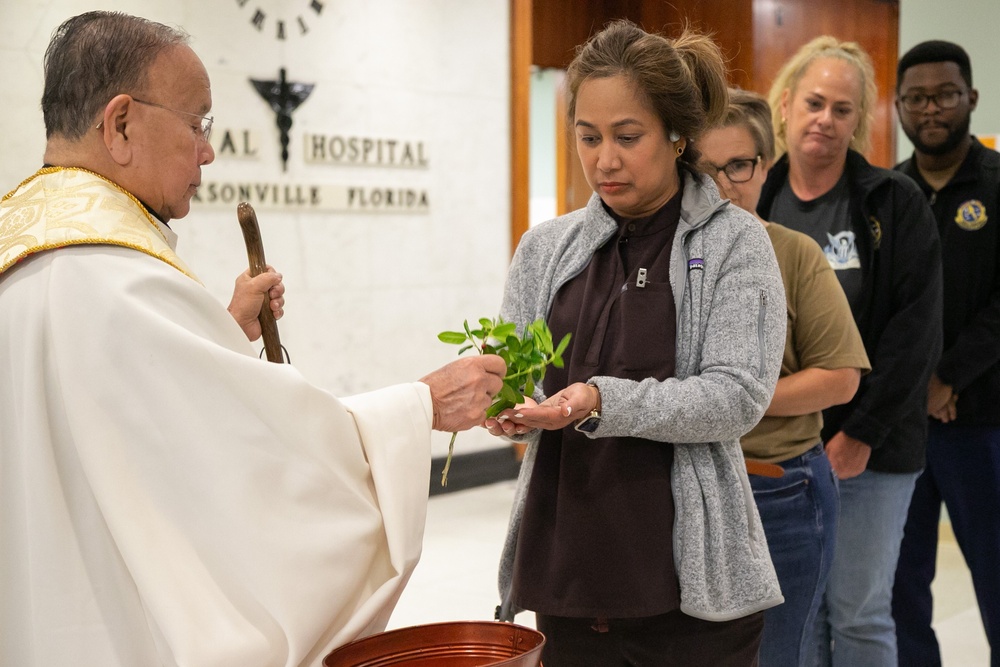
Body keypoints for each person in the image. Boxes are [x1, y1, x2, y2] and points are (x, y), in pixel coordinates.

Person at [0, 11, 506, 666]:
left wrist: (216, 331)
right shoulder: (120, 284)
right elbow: (269, 471)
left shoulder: (29, 260)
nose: (208, 150)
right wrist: (421, 406)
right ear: (121, 123)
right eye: (197, 122)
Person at [486, 20, 786, 666]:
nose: (604, 160)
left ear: (678, 136)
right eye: (587, 137)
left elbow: (736, 395)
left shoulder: (735, 242)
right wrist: (501, 402)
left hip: (687, 599)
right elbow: (512, 372)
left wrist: (598, 400)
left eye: (627, 137)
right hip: (566, 575)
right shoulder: (546, 249)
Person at [757, 36, 943, 666]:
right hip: (782, 452)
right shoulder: (756, 200)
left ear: (858, 121)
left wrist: (859, 433)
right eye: (814, 102)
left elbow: (915, 334)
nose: (825, 120)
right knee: (797, 615)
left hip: (874, 450)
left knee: (860, 614)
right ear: (784, 106)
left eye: (842, 109)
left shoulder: (894, 203)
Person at [696, 88, 870, 667]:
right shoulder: (661, 257)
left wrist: (728, 401)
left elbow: (840, 377)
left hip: (778, 489)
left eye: (738, 166)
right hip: (680, 485)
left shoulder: (792, 254)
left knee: (774, 655)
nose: (721, 185)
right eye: (702, 168)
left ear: (763, 169)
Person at [891, 40, 1000, 667]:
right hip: (904, 430)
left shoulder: (995, 185)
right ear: (900, 106)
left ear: (971, 100)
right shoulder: (890, 194)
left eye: (945, 95)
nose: (931, 109)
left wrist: (949, 377)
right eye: (917, 98)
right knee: (901, 588)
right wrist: (918, 389)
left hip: (985, 425)